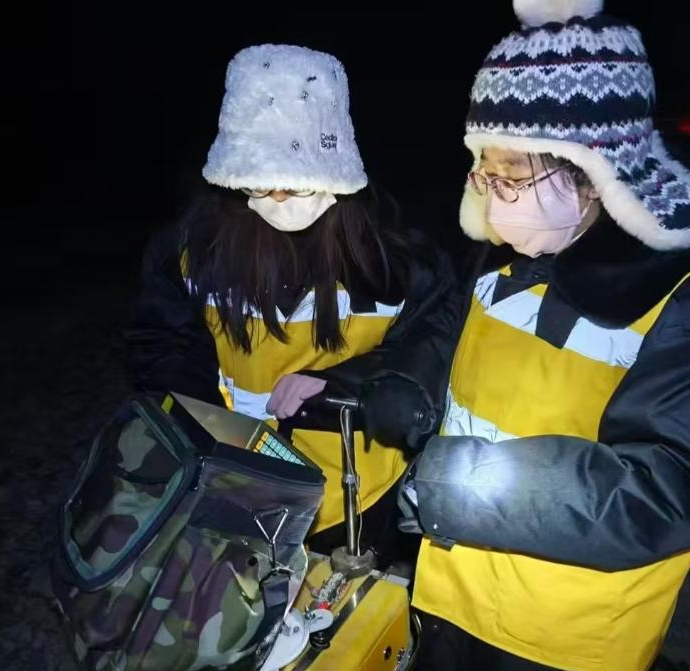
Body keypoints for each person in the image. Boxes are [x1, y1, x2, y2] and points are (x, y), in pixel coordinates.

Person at [364, 1, 690, 671]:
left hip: (564, 646)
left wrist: (461, 489)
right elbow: (448, 331)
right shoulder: (508, 256)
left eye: (511, 175)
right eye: (482, 171)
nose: (492, 196)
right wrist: (407, 381)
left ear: (592, 173)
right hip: (451, 594)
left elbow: (671, 489)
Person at [123, 44, 450, 562]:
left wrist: (345, 383)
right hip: (235, 485)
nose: (277, 198)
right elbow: (162, 345)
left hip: (357, 498)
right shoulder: (193, 248)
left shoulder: (394, 257)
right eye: (261, 185)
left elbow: (434, 347)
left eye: (293, 184)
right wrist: (203, 434)